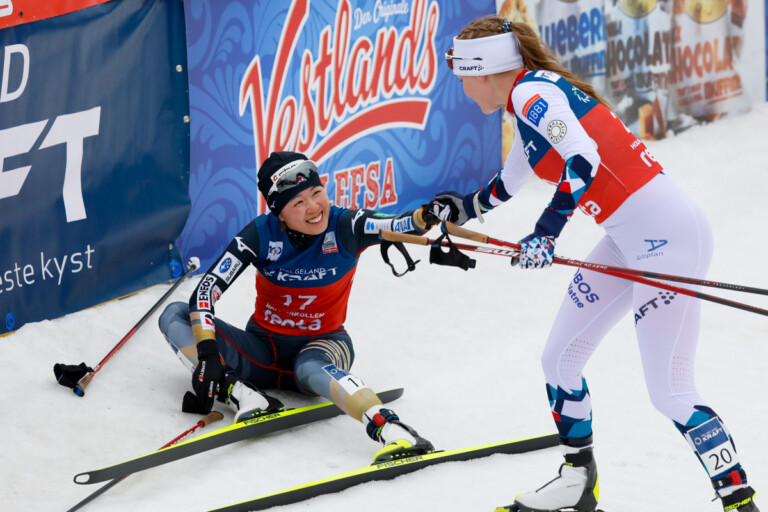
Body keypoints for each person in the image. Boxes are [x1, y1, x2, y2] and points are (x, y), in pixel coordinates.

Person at [431, 15, 760, 512]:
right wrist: (459, 209)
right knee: (559, 360)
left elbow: (581, 158)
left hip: (668, 239)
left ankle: (739, 501)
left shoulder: (531, 95)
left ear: (485, 70)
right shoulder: (527, 101)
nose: (461, 87)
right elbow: (508, 182)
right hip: (629, 240)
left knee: (672, 391)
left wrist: (546, 232)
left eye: (462, 75)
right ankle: (577, 482)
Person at [159, 151, 440, 463]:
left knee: (307, 366)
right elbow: (206, 290)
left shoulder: (347, 225)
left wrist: (427, 215)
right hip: (262, 351)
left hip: (324, 345)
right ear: (279, 213)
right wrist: (209, 355)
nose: (314, 207)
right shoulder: (260, 233)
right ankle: (243, 395)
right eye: (298, 202)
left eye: (317, 193)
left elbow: (401, 225)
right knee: (175, 314)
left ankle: (394, 430)